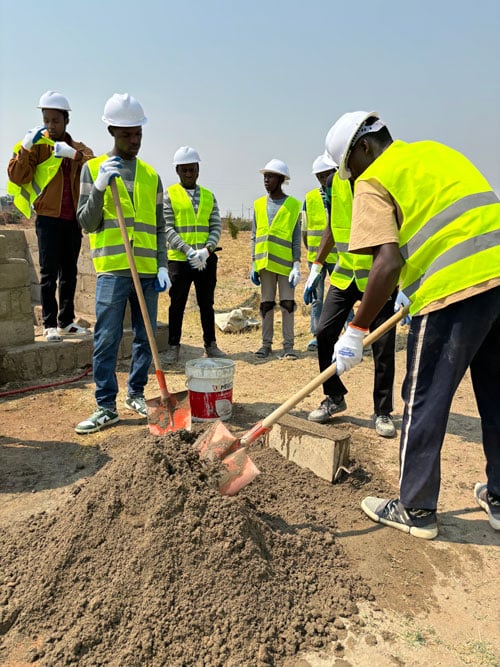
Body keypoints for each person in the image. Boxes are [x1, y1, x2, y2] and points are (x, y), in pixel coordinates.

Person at [326, 110, 500, 539]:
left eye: (350, 173)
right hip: (497, 275)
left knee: (423, 396)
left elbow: (385, 261)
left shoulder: (376, 176)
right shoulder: (434, 152)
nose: (352, 182)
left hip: (452, 287)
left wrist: (356, 329)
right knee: (497, 394)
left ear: (363, 149)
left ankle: (415, 508)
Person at [74, 93, 170, 434]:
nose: (135, 141)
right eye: (128, 134)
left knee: (146, 337)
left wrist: (162, 264)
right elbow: (86, 222)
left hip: (146, 270)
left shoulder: (151, 176)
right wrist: (99, 188)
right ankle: (105, 406)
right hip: (113, 269)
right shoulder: (93, 169)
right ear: (112, 131)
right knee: (107, 337)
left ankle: (137, 394)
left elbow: (159, 226)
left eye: (139, 134)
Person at [303, 164, 397, 438]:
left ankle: (382, 411)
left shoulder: (381, 177)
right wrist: (318, 265)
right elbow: (333, 227)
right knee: (323, 333)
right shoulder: (334, 184)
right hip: (344, 276)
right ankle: (334, 396)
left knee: (382, 345)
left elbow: (400, 228)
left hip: (377, 279)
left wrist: (407, 281)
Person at [7, 91, 94, 342]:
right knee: (48, 273)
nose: (50, 126)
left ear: (66, 120)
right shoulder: (37, 147)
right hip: (47, 218)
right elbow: (17, 176)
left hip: (72, 220)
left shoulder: (77, 148)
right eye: (46, 120)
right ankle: (49, 324)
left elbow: (97, 166)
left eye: (55, 120)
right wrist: (24, 147)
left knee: (69, 273)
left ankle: (66, 322)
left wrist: (74, 155)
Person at [162, 146, 226, 363]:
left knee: (206, 303)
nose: (189, 174)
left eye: (192, 169)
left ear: (198, 169)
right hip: (180, 260)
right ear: (178, 171)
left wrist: (207, 250)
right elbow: (168, 228)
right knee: (177, 304)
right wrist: (188, 250)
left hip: (206, 259)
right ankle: (173, 346)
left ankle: (211, 344)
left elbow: (216, 225)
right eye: (184, 170)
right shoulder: (170, 195)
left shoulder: (209, 196)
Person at [251, 159, 302, 360]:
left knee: (288, 304)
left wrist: (296, 264)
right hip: (264, 264)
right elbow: (254, 235)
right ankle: (266, 345)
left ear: (280, 179)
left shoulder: (293, 205)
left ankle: (288, 346)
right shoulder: (258, 204)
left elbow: (296, 237)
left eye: (270, 176)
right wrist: (253, 262)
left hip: (285, 265)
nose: (266, 180)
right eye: (265, 176)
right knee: (266, 304)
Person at [301, 154, 337, 351]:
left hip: (340, 257)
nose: (324, 180)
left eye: (327, 175)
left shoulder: (346, 193)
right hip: (316, 259)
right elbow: (305, 230)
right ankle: (317, 335)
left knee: (343, 295)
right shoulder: (310, 198)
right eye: (320, 176)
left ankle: (350, 332)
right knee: (317, 298)